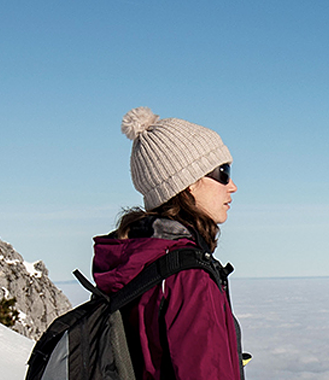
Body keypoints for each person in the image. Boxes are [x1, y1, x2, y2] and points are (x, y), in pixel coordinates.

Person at [89, 107, 243, 380]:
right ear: (189, 182)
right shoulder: (188, 276)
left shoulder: (133, 259)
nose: (232, 186)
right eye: (223, 172)